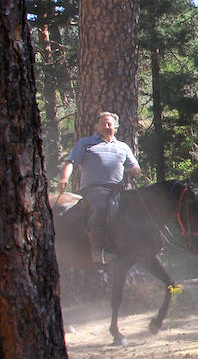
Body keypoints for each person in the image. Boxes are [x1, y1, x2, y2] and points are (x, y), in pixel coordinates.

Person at [59, 111, 142, 264]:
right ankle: (98, 252)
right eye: (103, 123)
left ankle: (137, 247)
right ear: (97, 126)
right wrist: (65, 178)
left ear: (115, 127)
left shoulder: (122, 147)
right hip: (94, 189)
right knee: (101, 207)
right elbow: (71, 162)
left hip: (117, 189)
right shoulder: (86, 143)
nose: (106, 126)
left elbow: (135, 167)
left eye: (109, 123)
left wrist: (134, 170)